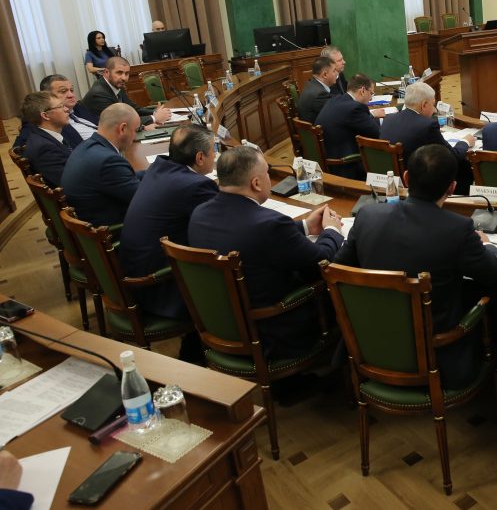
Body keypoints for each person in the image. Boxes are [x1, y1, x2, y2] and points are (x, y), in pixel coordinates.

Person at [336, 144, 497, 388]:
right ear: (452, 188)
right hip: (437, 358)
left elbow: (337, 268)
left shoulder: (367, 215)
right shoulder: (458, 229)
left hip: (370, 345)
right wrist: (488, 246)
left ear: (406, 178)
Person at [188, 146, 344, 359]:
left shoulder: (199, 214)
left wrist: (306, 226)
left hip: (220, 324)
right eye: (267, 173)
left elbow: (249, 234)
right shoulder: (269, 225)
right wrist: (332, 230)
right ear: (256, 183)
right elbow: (322, 262)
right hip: (272, 332)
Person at [119, 125, 218, 325]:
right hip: (160, 287)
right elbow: (222, 225)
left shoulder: (159, 168)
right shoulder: (195, 186)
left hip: (133, 272)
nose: (215, 156)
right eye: (213, 151)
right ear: (200, 158)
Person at [61, 103, 143, 226]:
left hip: (89, 221)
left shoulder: (87, 146)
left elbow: (126, 179)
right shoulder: (108, 161)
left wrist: (156, 172)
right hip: (108, 230)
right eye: (135, 130)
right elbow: (144, 198)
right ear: (122, 129)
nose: (135, 136)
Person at [381, 81, 469, 164]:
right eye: (433, 105)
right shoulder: (428, 126)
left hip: (391, 171)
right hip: (416, 173)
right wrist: (465, 141)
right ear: (424, 105)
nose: (434, 110)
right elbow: (452, 156)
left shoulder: (388, 118)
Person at [315, 73, 383, 178]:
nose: (371, 98)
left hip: (327, 157)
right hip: (345, 165)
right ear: (362, 91)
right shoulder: (355, 108)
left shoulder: (336, 99)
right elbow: (377, 133)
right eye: (371, 93)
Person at [82, 56, 171, 128]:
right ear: (106, 72)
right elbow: (119, 121)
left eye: (127, 73)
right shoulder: (99, 94)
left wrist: (154, 112)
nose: (124, 78)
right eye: (119, 73)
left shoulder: (116, 84)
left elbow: (132, 108)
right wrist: (154, 118)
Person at [19, 91, 77, 186]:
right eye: (61, 106)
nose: (67, 109)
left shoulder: (45, 136)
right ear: (45, 115)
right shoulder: (45, 149)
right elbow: (70, 183)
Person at [42, 73, 99, 139]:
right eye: (63, 91)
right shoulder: (52, 121)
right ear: (48, 96)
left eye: (71, 90)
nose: (71, 95)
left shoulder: (79, 107)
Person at [297, 56, 339, 123]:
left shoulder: (312, 84)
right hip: (317, 128)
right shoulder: (320, 94)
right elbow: (337, 112)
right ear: (325, 74)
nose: (337, 73)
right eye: (334, 71)